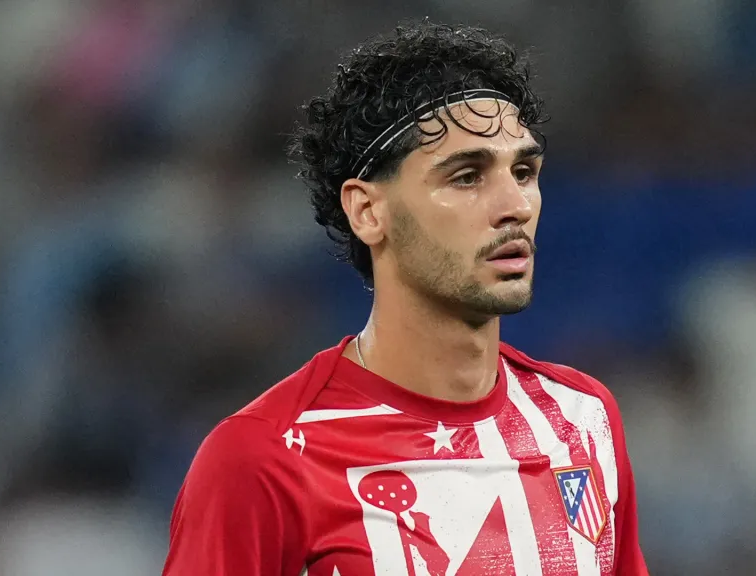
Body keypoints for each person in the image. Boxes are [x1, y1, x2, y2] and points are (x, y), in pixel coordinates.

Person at [162, 21, 649, 576]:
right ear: (368, 211)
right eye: (466, 176)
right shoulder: (264, 458)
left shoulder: (582, 419)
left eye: (524, 170)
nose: (515, 204)